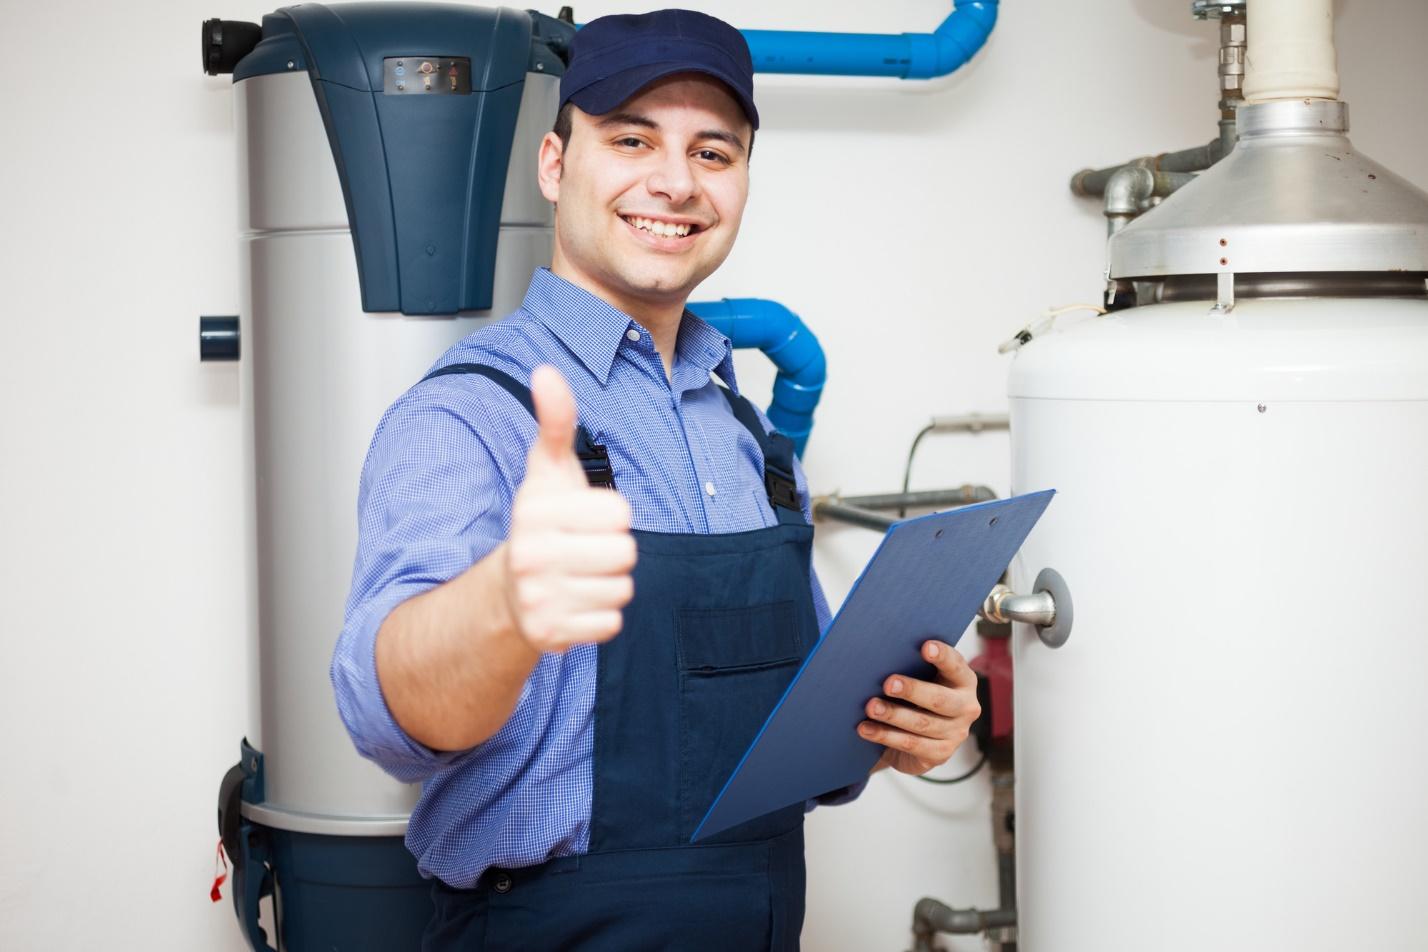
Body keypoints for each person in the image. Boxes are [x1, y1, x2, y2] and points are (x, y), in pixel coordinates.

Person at [332, 10, 980, 950]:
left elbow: (798, 732)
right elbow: (386, 716)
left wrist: (899, 726)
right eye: (631, 138)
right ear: (555, 165)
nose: (675, 182)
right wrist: (504, 607)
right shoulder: (470, 415)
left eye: (713, 152)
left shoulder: (751, 440)